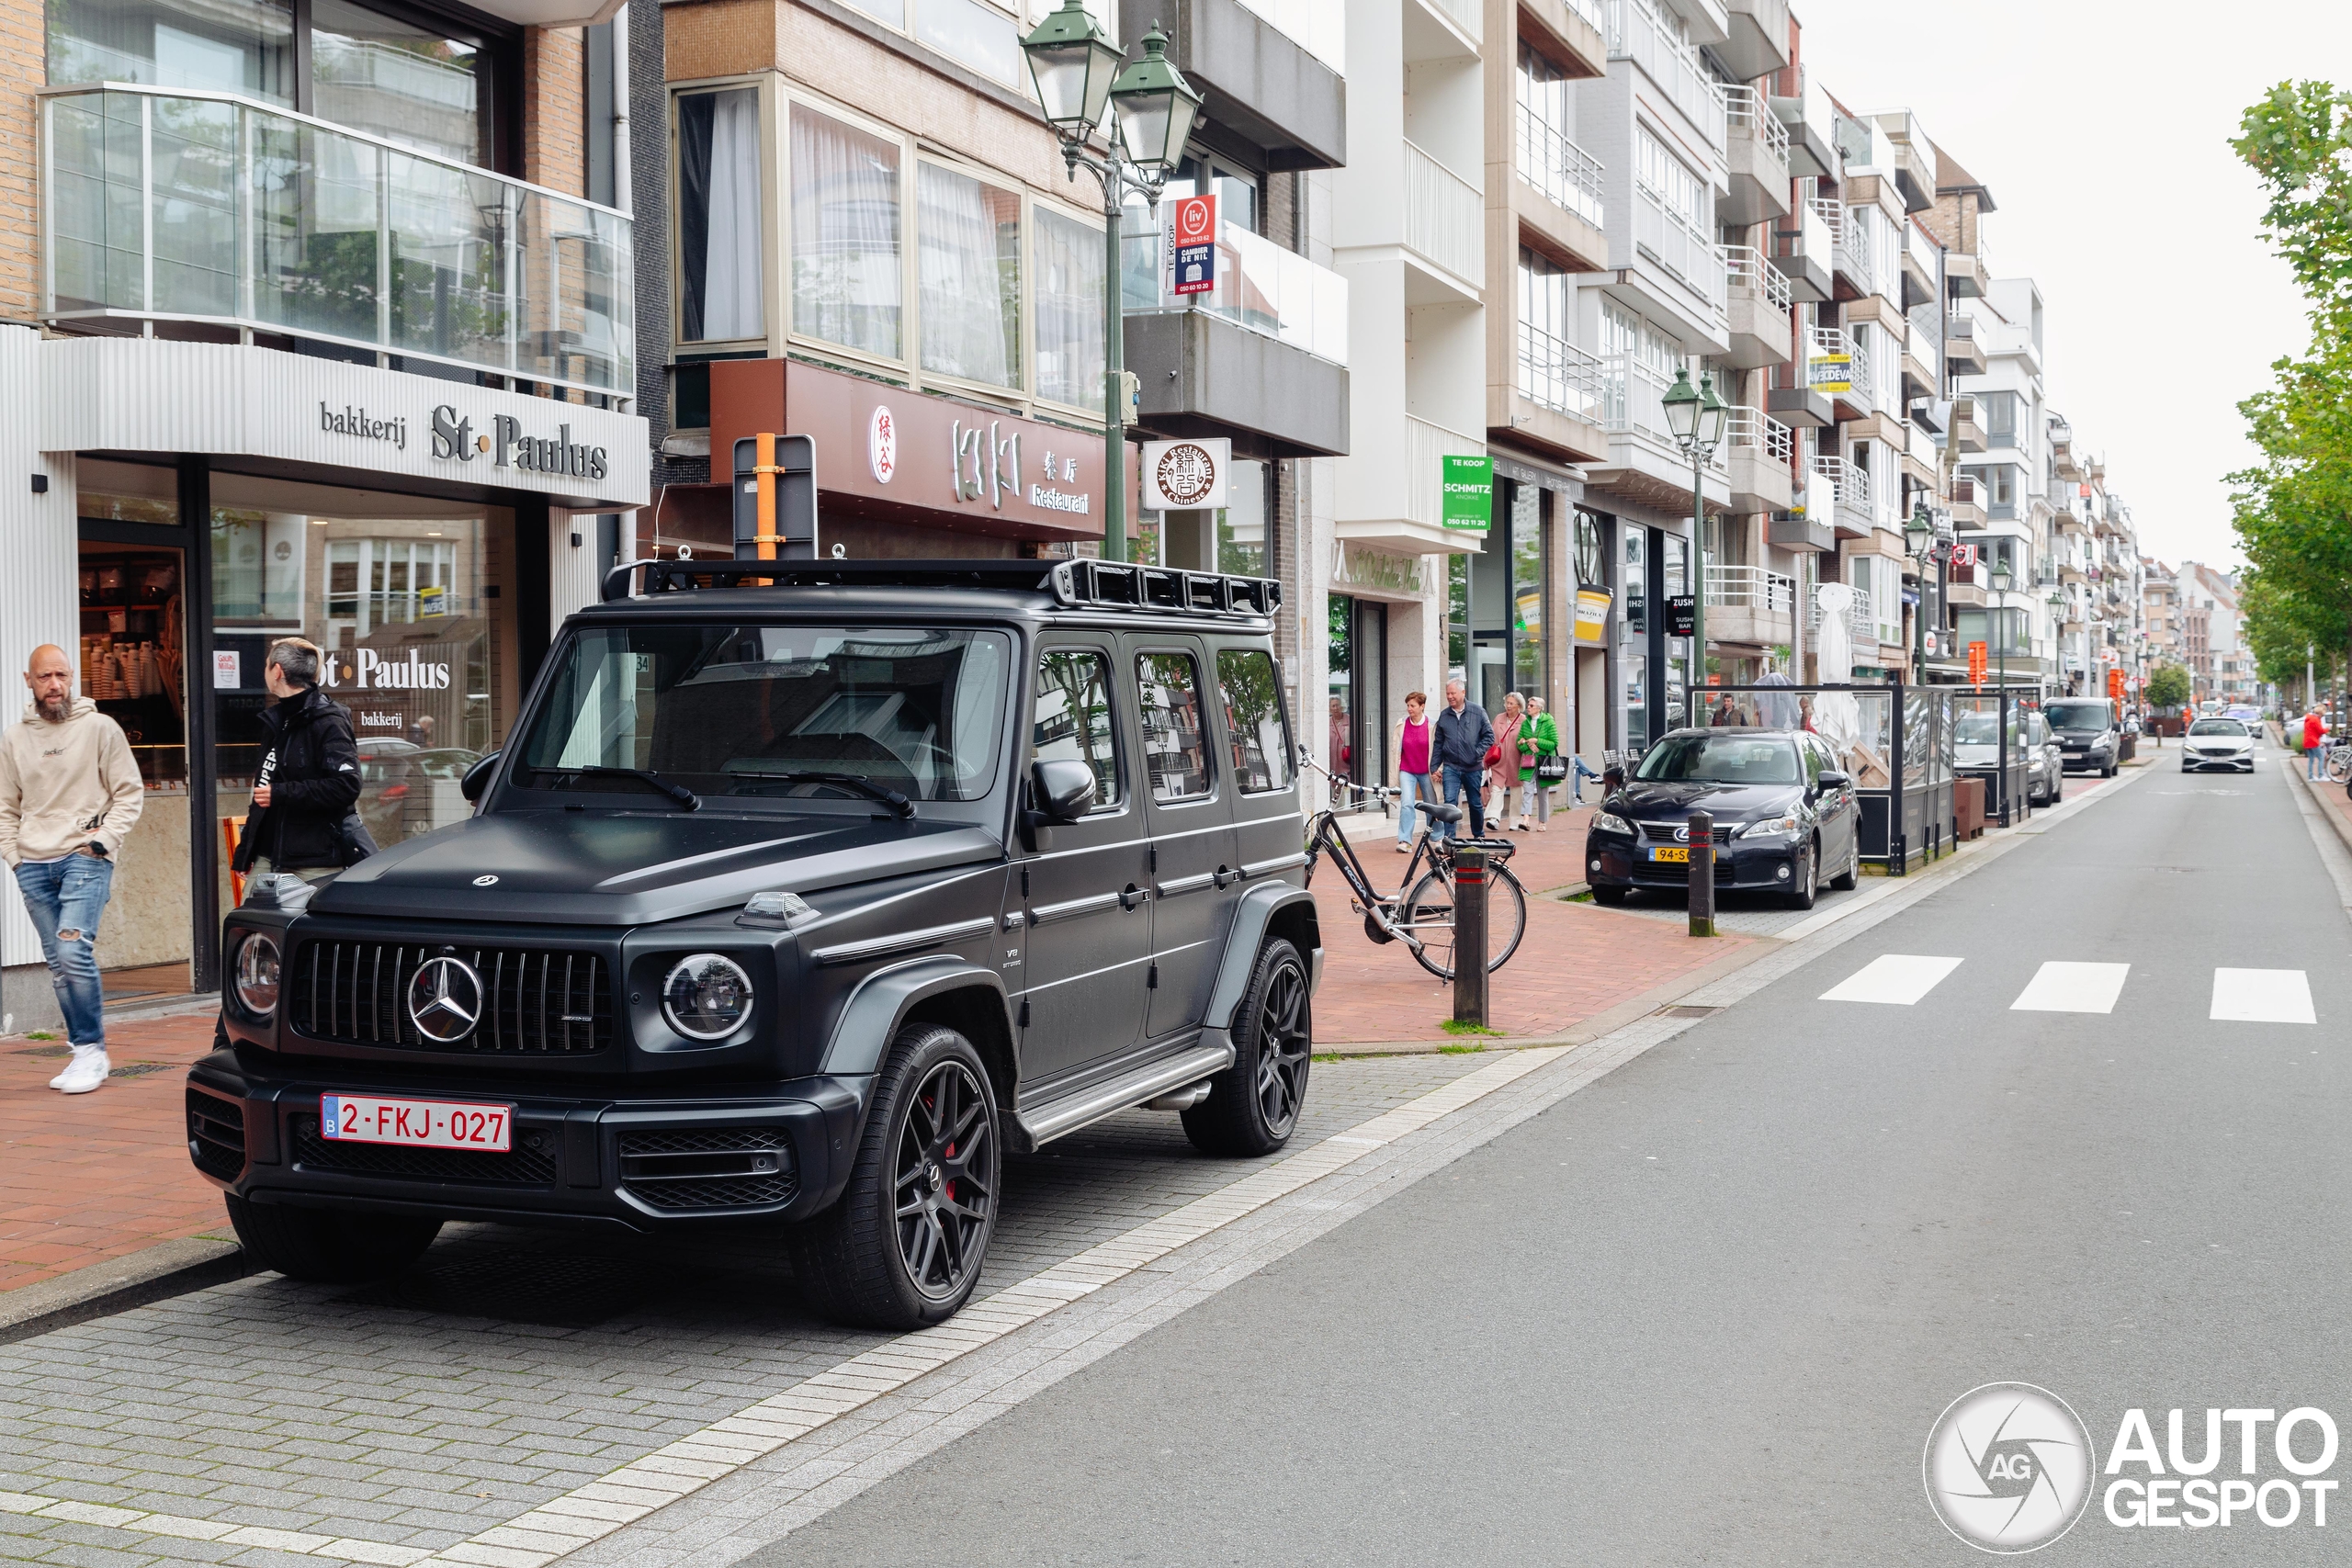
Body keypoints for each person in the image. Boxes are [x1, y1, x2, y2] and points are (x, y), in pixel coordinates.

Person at [0, 645, 144, 1093]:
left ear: (72, 676)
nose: (54, 685)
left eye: (61, 675)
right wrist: (14, 857)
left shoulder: (101, 728)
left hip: (85, 858)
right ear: (29, 680)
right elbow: (5, 806)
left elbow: (129, 792)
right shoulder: (14, 738)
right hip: (34, 864)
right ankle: (83, 1053)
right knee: (58, 965)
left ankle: (92, 1051)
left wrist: (101, 842)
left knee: (71, 951)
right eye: (45, 677)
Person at [233, 638, 369, 897]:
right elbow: (262, 789)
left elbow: (347, 786)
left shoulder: (329, 721)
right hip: (270, 858)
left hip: (315, 863)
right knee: (250, 932)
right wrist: (245, 852)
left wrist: (282, 793)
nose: (264, 671)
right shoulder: (276, 721)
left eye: (266, 665)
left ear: (277, 671)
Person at [1432, 678, 1494, 840]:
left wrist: (1477, 753)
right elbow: (1438, 743)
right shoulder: (1444, 716)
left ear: (1463, 692)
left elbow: (1489, 736)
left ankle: (1478, 836)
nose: (1450, 696)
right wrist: (1434, 767)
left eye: (1453, 693)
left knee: (1474, 803)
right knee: (1450, 803)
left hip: (1473, 767)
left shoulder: (1478, 712)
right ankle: (1449, 838)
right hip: (1451, 767)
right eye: (1447, 694)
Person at [1394, 691, 1434, 853]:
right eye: (1408, 706)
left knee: (1432, 805)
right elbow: (1396, 749)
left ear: (1422, 706)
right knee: (1407, 804)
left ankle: (1437, 837)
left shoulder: (1432, 725)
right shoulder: (1402, 724)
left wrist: (1438, 768)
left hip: (1426, 771)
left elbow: (1436, 749)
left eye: (1413, 706)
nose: (1409, 709)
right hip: (1407, 769)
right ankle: (1405, 841)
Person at [1520, 695, 1560, 831]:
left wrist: (1537, 741)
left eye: (1531, 706)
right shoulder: (1525, 723)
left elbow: (1554, 743)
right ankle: (1525, 820)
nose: (1528, 708)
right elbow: (1519, 742)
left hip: (1544, 762)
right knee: (1527, 790)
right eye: (1528, 705)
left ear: (1539, 708)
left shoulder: (1548, 721)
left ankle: (1542, 822)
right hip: (1529, 762)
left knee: (1543, 794)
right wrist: (1527, 745)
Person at [1489, 692, 1526, 830]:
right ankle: (1494, 818)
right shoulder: (1499, 718)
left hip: (1516, 761)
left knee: (1517, 790)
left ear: (1519, 706)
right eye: (1507, 703)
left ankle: (1515, 821)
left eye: (1511, 704)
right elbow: (1491, 737)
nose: (1508, 706)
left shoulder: (1523, 720)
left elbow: (1527, 738)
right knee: (1496, 788)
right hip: (1499, 760)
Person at [2305, 707, 2327, 782]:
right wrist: (2328, 729)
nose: (2322, 716)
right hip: (2314, 741)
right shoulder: (2316, 719)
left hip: (2307, 741)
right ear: (2320, 713)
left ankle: (2310, 777)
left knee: (2311, 759)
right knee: (2321, 757)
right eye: (2322, 715)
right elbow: (2321, 731)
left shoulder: (2308, 718)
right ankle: (2321, 775)